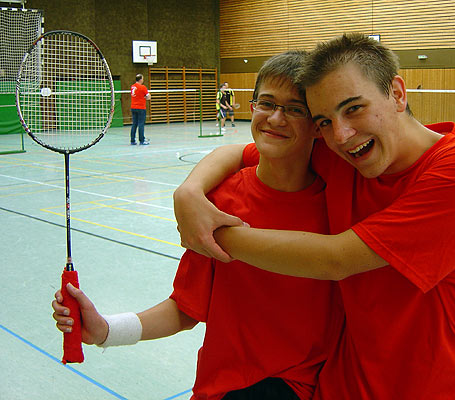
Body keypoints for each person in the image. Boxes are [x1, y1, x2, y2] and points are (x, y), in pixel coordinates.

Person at [173, 33, 455, 399]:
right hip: (340, 387)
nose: (342, 135)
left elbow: (336, 259)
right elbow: (245, 152)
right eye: (324, 121)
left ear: (397, 93)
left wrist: (210, 232)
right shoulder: (346, 157)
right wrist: (188, 193)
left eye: (354, 108)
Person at [53, 51, 345, 400]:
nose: (276, 118)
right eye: (266, 103)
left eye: (295, 108)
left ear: (317, 124)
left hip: (299, 386)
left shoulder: (340, 203)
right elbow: (186, 309)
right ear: (251, 108)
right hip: (222, 386)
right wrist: (105, 330)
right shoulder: (215, 203)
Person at [130, 73, 151, 145]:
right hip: (141, 108)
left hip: (133, 107)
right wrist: (144, 97)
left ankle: (132, 140)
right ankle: (141, 140)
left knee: (134, 124)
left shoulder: (132, 87)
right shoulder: (143, 87)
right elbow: (148, 97)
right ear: (141, 79)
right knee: (141, 124)